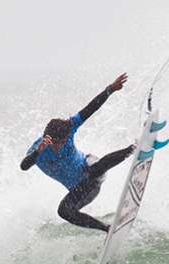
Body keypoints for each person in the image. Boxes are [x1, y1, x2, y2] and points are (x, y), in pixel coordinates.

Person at [20, 73, 136, 233]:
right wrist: (37, 153)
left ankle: (134, 148)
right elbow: (24, 166)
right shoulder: (38, 149)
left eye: (62, 143)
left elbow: (90, 108)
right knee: (64, 212)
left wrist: (111, 89)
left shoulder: (70, 126)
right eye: (55, 144)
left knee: (92, 170)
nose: (58, 147)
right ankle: (107, 229)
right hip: (82, 189)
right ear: (48, 139)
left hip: (91, 168)